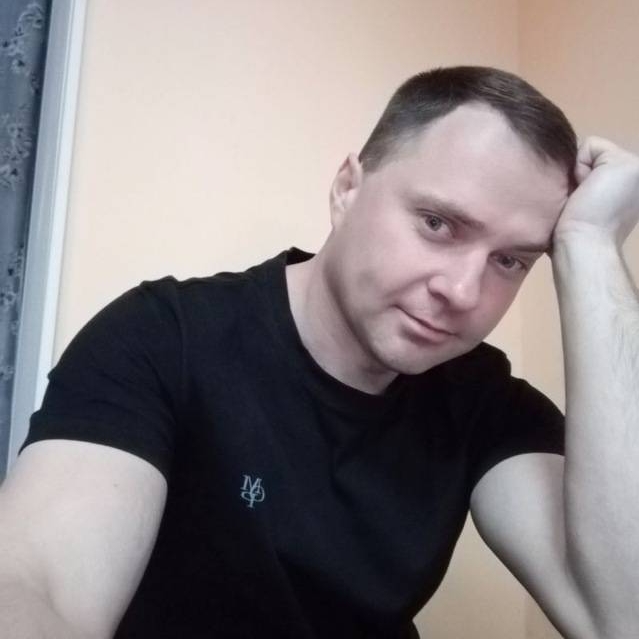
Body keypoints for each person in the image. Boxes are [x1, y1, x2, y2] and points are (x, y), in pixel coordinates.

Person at [1, 65, 638, 639]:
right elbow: (39, 585)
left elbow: (621, 616)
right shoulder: (164, 336)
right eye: (437, 224)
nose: (464, 292)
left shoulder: (483, 402)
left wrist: (590, 244)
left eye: (510, 260)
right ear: (346, 189)